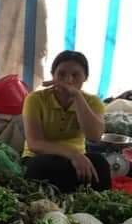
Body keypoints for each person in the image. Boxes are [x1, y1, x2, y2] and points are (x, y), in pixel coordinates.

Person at [22, 50, 110, 193]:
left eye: (76, 75)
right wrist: (72, 154)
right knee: (40, 167)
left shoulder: (92, 102)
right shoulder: (35, 99)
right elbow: (34, 143)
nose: (68, 80)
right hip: (40, 157)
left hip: (78, 159)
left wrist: (77, 96)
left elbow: (94, 136)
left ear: (85, 77)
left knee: (100, 164)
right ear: (53, 75)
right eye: (61, 74)